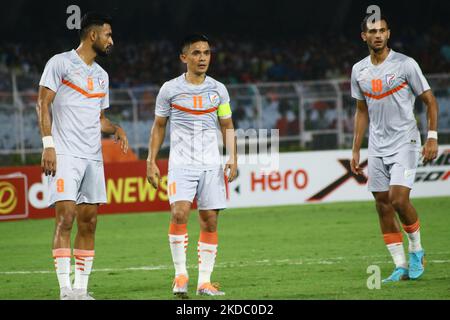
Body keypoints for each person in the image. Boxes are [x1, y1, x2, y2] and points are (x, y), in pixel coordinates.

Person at [36, 12, 128, 299]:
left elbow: (98, 118)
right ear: (92, 35)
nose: (111, 40)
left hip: (93, 157)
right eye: (108, 35)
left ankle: (81, 290)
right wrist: (48, 144)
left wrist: (115, 127)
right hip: (64, 153)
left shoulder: (102, 76)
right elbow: (42, 102)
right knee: (65, 218)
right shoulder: (60, 63)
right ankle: (65, 289)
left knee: (89, 222)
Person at [146, 34, 238, 297]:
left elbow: (227, 125)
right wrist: (151, 160)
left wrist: (233, 156)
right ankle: (180, 275)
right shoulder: (170, 89)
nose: (202, 58)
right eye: (196, 53)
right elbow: (159, 126)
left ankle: (204, 282)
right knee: (179, 214)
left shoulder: (218, 90)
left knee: (209, 220)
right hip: (181, 164)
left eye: (207, 53)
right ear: (184, 57)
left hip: (211, 165)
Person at [350, 15, 439, 282]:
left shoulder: (405, 64)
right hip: (377, 145)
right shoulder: (359, 70)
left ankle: (416, 250)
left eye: (382, 31)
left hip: (405, 141)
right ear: (363, 36)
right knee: (382, 204)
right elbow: (361, 110)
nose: (378, 35)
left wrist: (432, 136)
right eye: (372, 31)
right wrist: (356, 149)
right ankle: (399, 265)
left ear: (388, 34)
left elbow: (430, 101)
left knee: (398, 199)